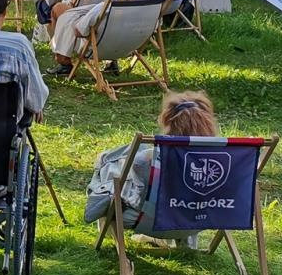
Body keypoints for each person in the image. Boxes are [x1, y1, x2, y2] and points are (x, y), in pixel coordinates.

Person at [83, 91, 218, 248]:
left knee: (106, 166)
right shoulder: (223, 164)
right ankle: (185, 244)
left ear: (168, 122)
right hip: (199, 221)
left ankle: (110, 235)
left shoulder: (147, 161)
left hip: (149, 222)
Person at [49, 0, 159, 68]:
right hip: (127, 50)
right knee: (64, 11)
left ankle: (63, 61)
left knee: (61, 13)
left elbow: (79, 31)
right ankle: (111, 62)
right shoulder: (152, 14)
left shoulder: (108, 7)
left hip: (96, 50)